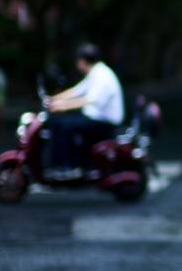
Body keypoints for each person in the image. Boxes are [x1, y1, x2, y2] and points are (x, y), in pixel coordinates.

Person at [46, 44, 124, 175]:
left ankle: (66, 166)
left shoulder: (101, 75)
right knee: (60, 122)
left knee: (64, 126)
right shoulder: (96, 72)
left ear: (82, 61)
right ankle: (68, 163)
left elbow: (88, 99)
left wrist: (62, 106)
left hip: (105, 122)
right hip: (96, 117)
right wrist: (53, 99)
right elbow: (77, 90)